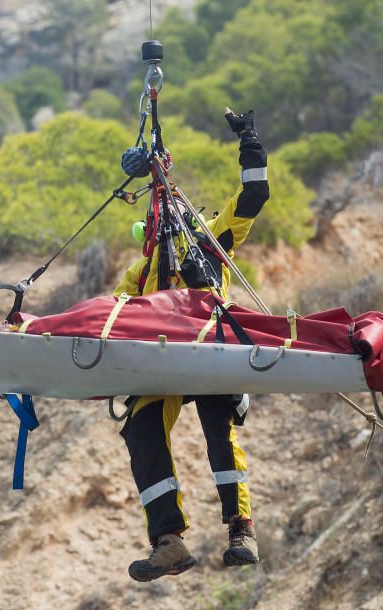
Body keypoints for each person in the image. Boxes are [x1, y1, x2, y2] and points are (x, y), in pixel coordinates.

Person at [113, 107, 269, 582]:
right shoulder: (141, 274)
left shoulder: (210, 242)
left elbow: (254, 194)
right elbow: (114, 318)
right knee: (141, 428)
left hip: (211, 351)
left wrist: (249, 139)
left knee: (219, 428)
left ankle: (241, 530)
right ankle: (168, 541)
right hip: (163, 360)